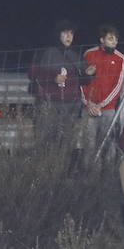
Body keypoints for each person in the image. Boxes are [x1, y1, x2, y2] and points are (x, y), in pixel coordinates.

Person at [28, 19, 92, 155]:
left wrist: (89, 74)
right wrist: (53, 78)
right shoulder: (46, 52)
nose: (69, 36)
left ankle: (64, 173)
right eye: (65, 33)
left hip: (71, 105)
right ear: (57, 34)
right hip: (49, 104)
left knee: (67, 142)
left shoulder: (75, 55)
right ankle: (47, 171)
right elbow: (33, 73)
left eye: (71, 33)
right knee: (46, 141)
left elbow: (84, 81)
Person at [82, 25, 124, 153]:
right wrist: (88, 103)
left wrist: (101, 105)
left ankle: (108, 172)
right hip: (88, 108)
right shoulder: (89, 54)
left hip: (108, 109)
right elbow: (81, 81)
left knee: (109, 145)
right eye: (111, 39)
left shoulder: (120, 58)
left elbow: (118, 85)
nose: (114, 42)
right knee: (89, 145)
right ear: (102, 40)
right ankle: (90, 172)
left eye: (116, 39)